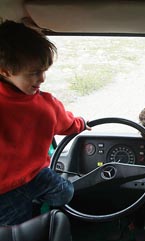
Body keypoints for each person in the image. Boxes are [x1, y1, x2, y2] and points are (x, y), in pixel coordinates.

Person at [0, 20, 91, 226]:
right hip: (32, 177)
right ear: (5, 71)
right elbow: (69, 125)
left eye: (43, 71)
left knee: (12, 232)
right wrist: (82, 123)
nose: (42, 79)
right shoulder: (46, 106)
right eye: (33, 73)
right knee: (65, 193)